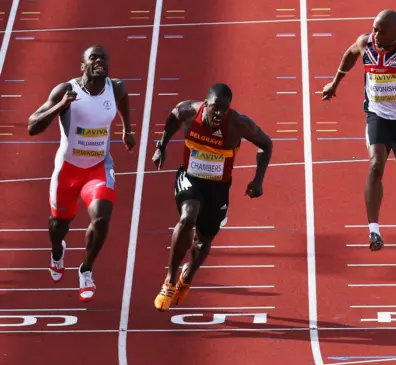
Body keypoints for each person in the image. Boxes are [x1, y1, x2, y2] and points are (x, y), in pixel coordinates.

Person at [321, 9, 396, 251]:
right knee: (376, 165)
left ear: (395, 32)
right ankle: (374, 231)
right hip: (377, 116)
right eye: (374, 28)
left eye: (381, 31)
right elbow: (350, 54)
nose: (375, 35)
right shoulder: (366, 42)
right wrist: (335, 83)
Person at [27, 45, 135, 302]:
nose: (100, 61)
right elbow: (32, 125)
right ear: (82, 66)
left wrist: (127, 129)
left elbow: (123, 101)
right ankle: (57, 252)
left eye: (103, 57)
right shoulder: (66, 91)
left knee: (101, 218)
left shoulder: (116, 87)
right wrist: (60, 107)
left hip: (99, 167)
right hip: (68, 170)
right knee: (59, 226)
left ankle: (86, 269)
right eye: (93, 58)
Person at [151, 83, 273, 311]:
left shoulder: (238, 124)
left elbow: (266, 145)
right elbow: (174, 117)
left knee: (204, 240)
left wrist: (258, 180)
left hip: (218, 187)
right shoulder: (188, 110)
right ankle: (169, 281)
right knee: (188, 216)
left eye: (224, 110)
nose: (219, 114)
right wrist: (161, 146)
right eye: (215, 108)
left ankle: (187, 277)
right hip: (190, 177)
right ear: (205, 104)